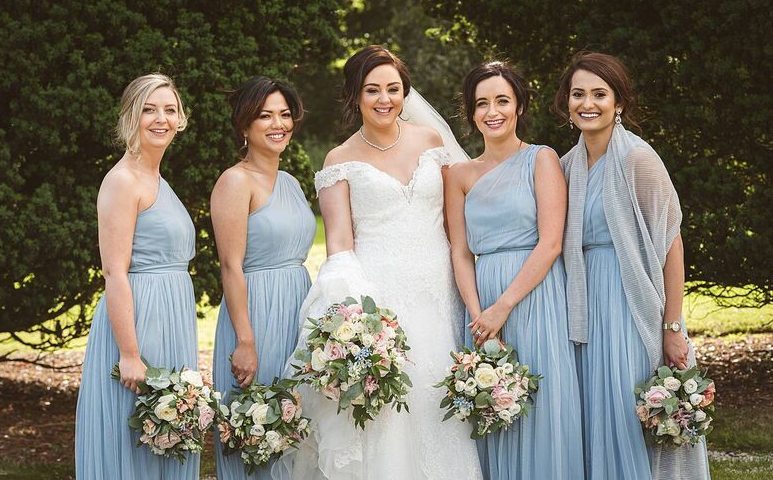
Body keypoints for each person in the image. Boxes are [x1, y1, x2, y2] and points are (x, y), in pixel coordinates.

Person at [275, 45, 482, 480]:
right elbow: (339, 244)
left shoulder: (431, 141)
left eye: (393, 88)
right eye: (372, 90)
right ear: (355, 95)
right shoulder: (339, 160)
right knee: (390, 409)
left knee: (439, 397)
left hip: (438, 291)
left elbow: (456, 222)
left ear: (405, 92)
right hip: (380, 298)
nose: (384, 99)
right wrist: (355, 320)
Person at [556, 52, 711, 479]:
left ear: (619, 102)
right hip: (584, 305)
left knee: (628, 413)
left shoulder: (638, 159)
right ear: (567, 103)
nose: (588, 103)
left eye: (599, 94)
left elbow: (671, 244)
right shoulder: (566, 166)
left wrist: (672, 327)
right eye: (578, 94)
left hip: (629, 303)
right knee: (594, 415)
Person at [444, 61, 584, 480]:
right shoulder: (459, 174)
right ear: (471, 113)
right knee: (491, 406)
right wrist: (478, 316)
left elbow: (551, 242)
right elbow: (460, 251)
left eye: (502, 100)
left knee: (540, 408)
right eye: (482, 103)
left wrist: (503, 306)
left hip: (534, 296)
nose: (493, 111)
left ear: (519, 105)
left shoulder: (542, 159)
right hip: (481, 302)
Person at [75, 73, 198, 479]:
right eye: (149, 110)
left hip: (171, 321)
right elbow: (114, 271)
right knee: (134, 443)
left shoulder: (157, 178)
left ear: (180, 119)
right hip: (139, 323)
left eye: (169, 110)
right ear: (131, 117)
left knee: (166, 441)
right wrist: (129, 353)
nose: (161, 119)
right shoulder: (123, 181)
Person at [211, 77, 316, 479]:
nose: (279, 124)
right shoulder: (235, 181)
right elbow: (230, 265)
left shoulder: (290, 182)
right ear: (245, 125)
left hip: (297, 311)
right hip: (257, 315)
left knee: (296, 430)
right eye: (265, 116)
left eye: (284, 115)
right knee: (260, 429)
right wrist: (246, 341)